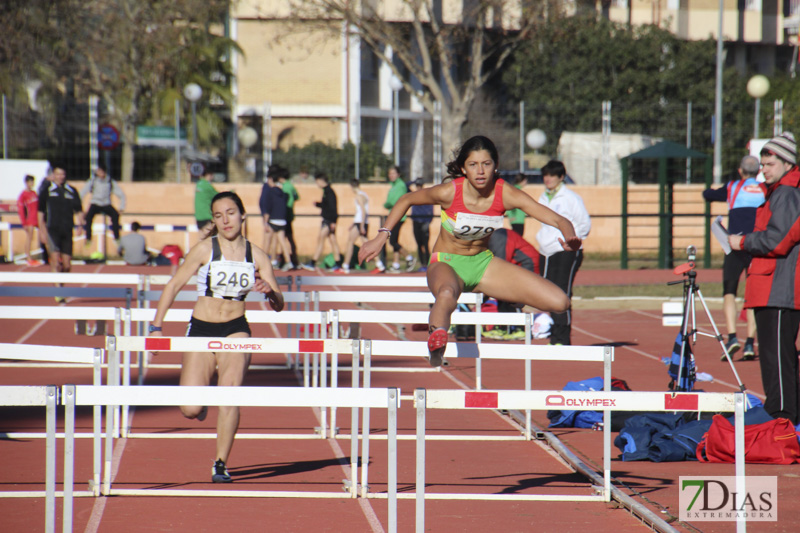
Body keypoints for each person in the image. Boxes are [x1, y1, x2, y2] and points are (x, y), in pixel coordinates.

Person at [359, 135, 580, 366]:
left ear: (496, 166)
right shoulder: (449, 192)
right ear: (464, 168)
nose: (481, 171)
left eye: (486, 164)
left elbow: (556, 218)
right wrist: (381, 236)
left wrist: (569, 235)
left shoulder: (506, 193)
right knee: (446, 294)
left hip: (483, 264)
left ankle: (509, 295)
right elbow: (407, 199)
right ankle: (436, 343)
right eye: (473, 165)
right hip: (447, 263)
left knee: (560, 302)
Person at [149, 191, 285, 482]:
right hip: (201, 328)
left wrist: (270, 292)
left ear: (243, 215)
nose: (226, 220)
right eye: (219, 215)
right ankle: (202, 400)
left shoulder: (257, 255)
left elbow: (279, 304)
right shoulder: (204, 250)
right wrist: (156, 326)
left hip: (235, 328)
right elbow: (173, 286)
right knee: (190, 409)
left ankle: (221, 463)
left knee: (230, 394)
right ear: (214, 220)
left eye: (231, 213)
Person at [729, 132, 800, 424]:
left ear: (786, 164)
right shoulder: (779, 192)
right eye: (763, 163)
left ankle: (782, 414)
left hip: (780, 288)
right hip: (771, 286)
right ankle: (781, 411)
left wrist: (742, 242)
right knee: (773, 356)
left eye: (769, 163)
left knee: (779, 357)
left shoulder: (786, 193)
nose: (764, 169)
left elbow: (777, 240)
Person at [703, 155, 766, 360]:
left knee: (729, 292)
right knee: (752, 295)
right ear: (759, 172)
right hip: (756, 245)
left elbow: (708, 194)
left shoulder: (732, 187)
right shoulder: (766, 189)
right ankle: (750, 342)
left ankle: (732, 337)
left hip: (734, 245)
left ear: (740, 171)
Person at [536, 160, 591, 346]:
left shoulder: (571, 198)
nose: (548, 179)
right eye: (545, 175)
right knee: (548, 292)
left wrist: (572, 241)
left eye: (552, 175)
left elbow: (584, 224)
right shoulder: (543, 197)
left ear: (561, 177)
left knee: (562, 291)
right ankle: (554, 335)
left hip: (566, 251)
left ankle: (563, 338)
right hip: (546, 250)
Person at [38, 166, 85, 303]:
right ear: (54, 175)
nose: (60, 176)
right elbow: (40, 212)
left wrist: (81, 224)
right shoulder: (46, 190)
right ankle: (58, 291)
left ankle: (60, 286)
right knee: (55, 261)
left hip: (67, 231)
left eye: (63, 174)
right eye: (58, 174)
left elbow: (79, 210)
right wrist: (42, 230)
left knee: (66, 265)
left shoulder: (72, 191)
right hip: (52, 230)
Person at [485, 227, 542, 339]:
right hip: (516, 266)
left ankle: (520, 328)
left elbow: (501, 264)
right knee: (501, 293)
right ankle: (503, 328)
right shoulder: (491, 240)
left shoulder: (498, 237)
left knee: (511, 294)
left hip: (527, 264)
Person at [372, 166, 416, 273]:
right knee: (394, 240)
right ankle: (396, 264)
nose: (391, 175)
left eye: (393, 173)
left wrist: (386, 204)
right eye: (389, 173)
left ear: (398, 174)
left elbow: (393, 201)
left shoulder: (400, 186)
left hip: (398, 217)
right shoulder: (394, 185)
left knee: (392, 241)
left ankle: (409, 257)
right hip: (394, 216)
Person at [301, 173, 342, 271]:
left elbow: (333, 208)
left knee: (321, 239)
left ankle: (313, 262)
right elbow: (326, 205)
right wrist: (319, 204)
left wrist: (333, 222)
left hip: (329, 220)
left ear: (320, 180)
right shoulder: (326, 191)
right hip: (328, 219)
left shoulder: (329, 192)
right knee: (333, 241)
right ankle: (338, 263)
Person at [259, 166, 294, 271]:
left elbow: (267, 207)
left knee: (267, 241)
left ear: (270, 180)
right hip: (282, 221)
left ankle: (262, 263)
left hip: (273, 220)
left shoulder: (270, 192)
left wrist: (265, 222)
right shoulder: (283, 193)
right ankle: (288, 262)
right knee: (281, 241)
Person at [82, 165, 126, 248]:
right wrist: (81, 209)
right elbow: (82, 193)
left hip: (106, 204)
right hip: (95, 203)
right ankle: (88, 238)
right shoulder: (93, 181)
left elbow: (121, 194)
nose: (100, 173)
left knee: (115, 215)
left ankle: (116, 238)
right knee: (88, 217)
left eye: (102, 171)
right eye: (99, 171)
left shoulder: (110, 181)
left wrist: (122, 207)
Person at [341, 179, 370, 274]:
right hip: (360, 222)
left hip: (360, 222)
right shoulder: (364, 195)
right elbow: (360, 211)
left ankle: (345, 265)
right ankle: (379, 264)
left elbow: (362, 211)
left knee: (350, 242)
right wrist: (353, 224)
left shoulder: (359, 196)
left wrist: (361, 226)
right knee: (367, 244)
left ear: (352, 187)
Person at [17, 174, 42, 266]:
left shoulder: (34, 193)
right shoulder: (23, 195)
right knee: (29, 238)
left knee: (43, 236)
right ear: (26, 182)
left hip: (37, 218)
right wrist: (24, 223)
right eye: (31, 182)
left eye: (33, 182)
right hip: (30, 219)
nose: (32, 184)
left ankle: (47, 255)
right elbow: (21, 210)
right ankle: (28, 257)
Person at [409, 178, 433, 272]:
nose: (418, 187)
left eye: (419, 185)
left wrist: (428, 222)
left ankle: (428, 264)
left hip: (424, 222)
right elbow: (406, 186)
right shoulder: (413, 194)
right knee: (419, 244)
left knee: (426, 245)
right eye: (417, 185)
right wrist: (413, 181)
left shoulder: (426, 194)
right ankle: (422, 264)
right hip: (416, 222)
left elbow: (430, 210)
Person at [277, 169, 299, 268]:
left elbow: (284, 200)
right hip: (290, 215)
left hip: (285, 215)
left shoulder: (285, 187)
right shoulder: (291, 185)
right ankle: (294, 259)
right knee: (290, 239)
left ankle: (286, 260)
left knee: (283, 239)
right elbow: (297, 197)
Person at [194, 169, 218, 239]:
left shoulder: (198, 183)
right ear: (208, 175)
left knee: (201, 237)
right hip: (207, 215)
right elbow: (217, 196)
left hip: (198, 215)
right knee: (209, 237)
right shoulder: (207, 186)